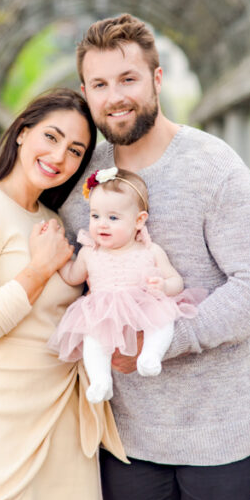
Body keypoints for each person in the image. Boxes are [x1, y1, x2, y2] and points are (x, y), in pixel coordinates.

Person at [59, 14, 250, 500]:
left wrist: (165, 339)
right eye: (100, 84)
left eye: (128, 79)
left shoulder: (213, 165)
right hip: (125, 432)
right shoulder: (83, 181)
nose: (114, 96)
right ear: (85, 92)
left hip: (220, 424)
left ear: (156, 80)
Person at [0, 88, 126, 500]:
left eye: (76, 150)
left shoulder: (52, 219)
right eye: (52, 136)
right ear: (23, 133)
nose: (60, 156)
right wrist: (38, 271)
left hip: (63, 416)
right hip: (0, 425)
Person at [48, 167, 204, 404]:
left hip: (143, 306)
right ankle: (101, 380)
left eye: (113, 218)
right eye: (95, 216)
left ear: (139, 221)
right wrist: (56, 259)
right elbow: (72, 276)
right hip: (103, 313)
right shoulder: (90, 252)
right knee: (93, 339)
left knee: (162, 322)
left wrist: (163, 286)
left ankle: (151, 355)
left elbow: (176, 282)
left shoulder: (150, 250)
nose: (101, 225)